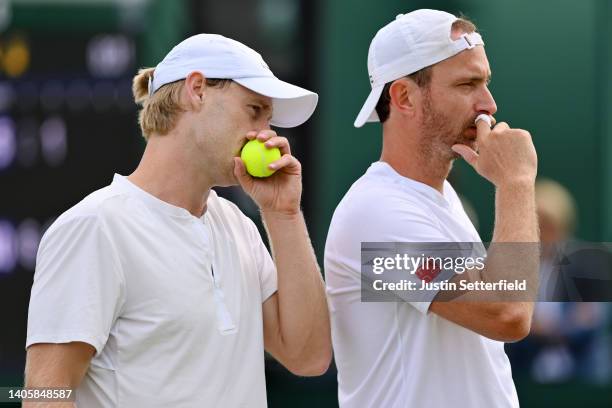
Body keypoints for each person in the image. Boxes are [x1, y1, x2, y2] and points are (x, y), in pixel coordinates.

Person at [25, 34, 331, 407]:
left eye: (268, 120)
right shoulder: (95, 227)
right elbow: (44, 395)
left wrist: (284, 214)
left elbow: (310, 357)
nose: (266, 136)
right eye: (254, 111)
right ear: (197, 90)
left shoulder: (238, 225)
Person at [325, 9, 539, 408]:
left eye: (485, 83)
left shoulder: (439, 199)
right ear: (404, 97)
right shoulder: (376, 212)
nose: (488, 105)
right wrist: (517, 183)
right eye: (466, 84)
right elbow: (506, 312)